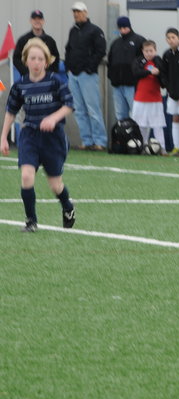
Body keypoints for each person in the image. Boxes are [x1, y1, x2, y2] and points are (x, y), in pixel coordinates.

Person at [0, 39, 76, 232]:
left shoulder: (55, 81)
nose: (36, 62)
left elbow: (69, 105)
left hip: (53, 138)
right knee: (26, 176)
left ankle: (67, 206)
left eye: (40, 59)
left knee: (55, 185)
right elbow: (11, 112)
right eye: (32, 58)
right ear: (26, 61)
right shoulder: (20, 85)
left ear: (47, 61)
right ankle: (31, 221)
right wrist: (3, 137)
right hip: (30, 135)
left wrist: (53, 118)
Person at [64, 1, 107, 151]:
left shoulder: (95, 30)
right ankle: (87, 140)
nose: (76, 14)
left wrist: (89, 68)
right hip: (73, 75)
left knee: (93, 109)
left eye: (79, 11)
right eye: (74, 12)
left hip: (87, 75)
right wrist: (68, 68)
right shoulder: (73, 31)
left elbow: (101, 51)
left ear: (85, 13)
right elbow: (68, 49)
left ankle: (100, 141)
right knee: (79, 110)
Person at [107, 16, 146, 121]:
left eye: (125, 27)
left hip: (133, 85)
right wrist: (111, 76)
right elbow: (110, 61)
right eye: (120, 28)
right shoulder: (115, 43)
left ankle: (138, 132)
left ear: (129, 26)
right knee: (120, 114)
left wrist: (137, 76)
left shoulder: (139, 40)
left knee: (136, 113)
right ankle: (123, 132)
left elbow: (145, 59)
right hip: (117, 85)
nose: (122, 30)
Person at [131, 40, 166, 154]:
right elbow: (136, 72)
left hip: (155, 99)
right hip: (140, 98)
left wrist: (159, 73)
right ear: (142, 51)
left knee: (158, 125)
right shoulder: (138, 61)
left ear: (155, 51)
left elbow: (164, 76)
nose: (149, 53)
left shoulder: (159, 62)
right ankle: (142, 146)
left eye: (151, 51)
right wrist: (150, 72)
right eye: (146, 51)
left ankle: (162, 148)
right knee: (141, 124)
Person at [13, 10, 60, 76]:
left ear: (43, 21)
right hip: (28, 78)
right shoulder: (23, 40)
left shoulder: (50, 41)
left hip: (46, 78)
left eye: (39, 19)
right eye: (34, 19)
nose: (37, 21)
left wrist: (48, 73)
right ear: (30, 21)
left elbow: (55, 59)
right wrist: (27, 73)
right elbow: (16, 59)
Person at [161, 27, 179, 155]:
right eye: (168, 38)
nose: (171, 40)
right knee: (175, 118)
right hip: (172, 93)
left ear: (178, 38)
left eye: (173, 37)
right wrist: (167, 86)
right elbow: (163, 73)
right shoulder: (167, 54)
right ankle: (177, 147)